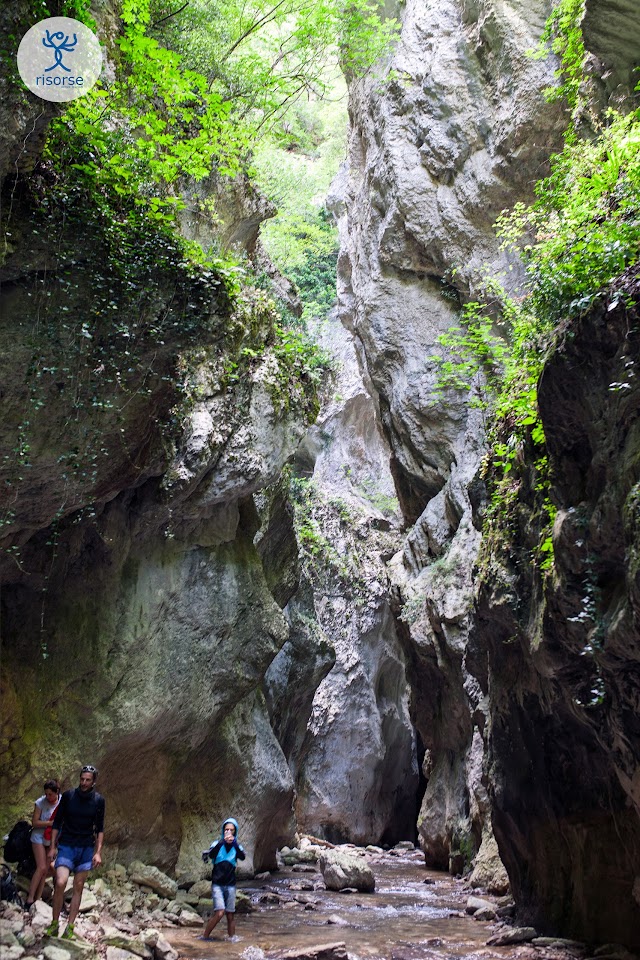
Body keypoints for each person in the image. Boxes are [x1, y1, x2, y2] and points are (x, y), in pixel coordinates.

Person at [44, 765, 105, 940]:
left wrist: (98, 852)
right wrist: (52, 847)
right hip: (67, 845)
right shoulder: (69, 796)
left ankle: (70, 927)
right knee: (61, 882)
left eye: (88, 780)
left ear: (94, 782)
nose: (84, 783)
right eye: (82, 779)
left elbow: (100, 828)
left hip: (86, 848)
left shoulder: (99, 801)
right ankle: (54, 923)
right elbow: (57, 822)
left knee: (78, 886)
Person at [200, 818, 246, 941]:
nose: (229, 832)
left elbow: (242, 857)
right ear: (223, 831)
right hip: (217, 885)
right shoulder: (217, 844)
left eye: (231, 830)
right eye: (227, 830)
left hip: (230, 885)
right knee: (220, 912)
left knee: (230, 915)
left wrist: (234, 843)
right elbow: (211, 855)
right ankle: (205, 937)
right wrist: (222, 841)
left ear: (235, 832)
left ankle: (232, 939)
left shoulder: (237, 847)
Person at [25, 778, 61, 910]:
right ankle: (29, 899)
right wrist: (50, 823)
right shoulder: (40, 803)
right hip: (38, 836)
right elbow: (35, 822)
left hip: (51, 838)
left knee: (46, 870)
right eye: (46, 794)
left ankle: (38, 899)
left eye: (50, 794)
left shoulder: (62, 802)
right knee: (41, 867)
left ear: (56, 792)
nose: (48, 797)